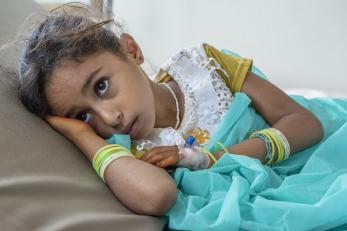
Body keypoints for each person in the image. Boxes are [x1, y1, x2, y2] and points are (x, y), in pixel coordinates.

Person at [16, 4, 326, 219]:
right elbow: (156, 196)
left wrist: (212, 158)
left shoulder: (203, 68)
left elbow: (304, 123)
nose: (110, 119)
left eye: (101, 87)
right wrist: (82, 135)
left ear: (131, 51)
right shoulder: (127, 153)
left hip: (315, 172)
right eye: (83, 115)